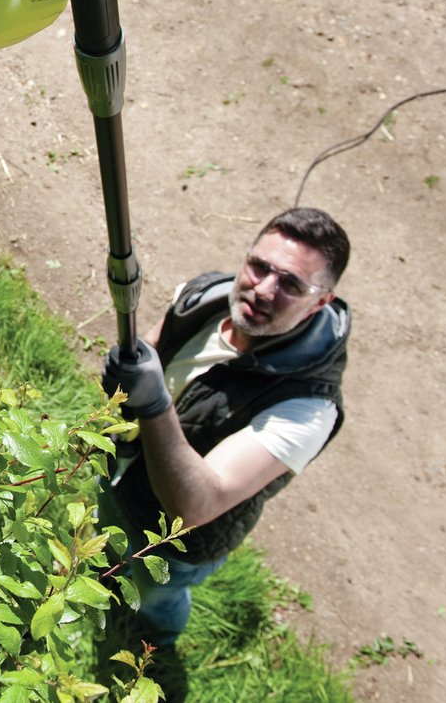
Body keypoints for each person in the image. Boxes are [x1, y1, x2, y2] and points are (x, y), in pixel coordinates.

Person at [99, 207, 351, 658]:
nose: (263, 289)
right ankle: (103, 578)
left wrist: (154, 402)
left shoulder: (308, 406)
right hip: (121, 474)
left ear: (321, 302)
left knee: (157, 596)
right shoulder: (205, 295)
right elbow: (154, 344)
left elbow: (197, 503)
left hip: (176, 541)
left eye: (291, 284)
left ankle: (156, 645)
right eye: (259, 266)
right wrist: (128, 372)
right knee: (106, 541)